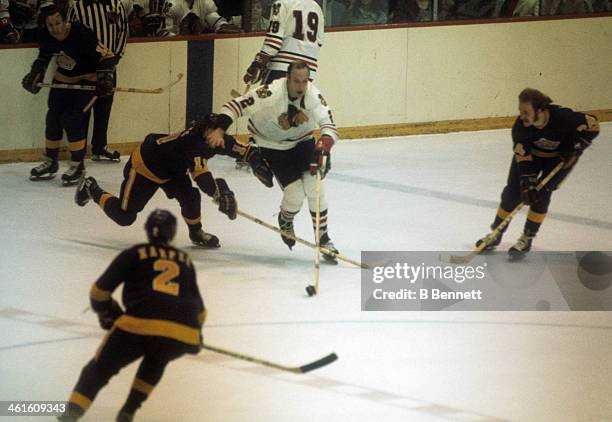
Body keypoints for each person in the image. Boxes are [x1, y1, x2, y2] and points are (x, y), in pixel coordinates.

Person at [57, 209, 206, 422]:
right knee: (157, 358)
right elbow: (200, 311)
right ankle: (128, 411)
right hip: (182, 333)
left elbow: (98, 293)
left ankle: (69, 416)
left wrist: (109, 313)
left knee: (99, 370)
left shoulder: (134, 253)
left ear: (147, 230)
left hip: (138, 325)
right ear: (172, 233)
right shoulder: (186, 261)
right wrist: (195, 334)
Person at [74, 114, 273, 248]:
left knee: (190, 198)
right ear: (205, 133)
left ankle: (196, 233)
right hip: (146, 166)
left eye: (220, 132)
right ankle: (92, 188)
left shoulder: (215, 137)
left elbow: (244, 150)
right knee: (125, 216)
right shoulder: (194, 144)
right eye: (215, 133)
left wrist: (257, 163)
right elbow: (202, 177)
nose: (219, 138)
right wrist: (218, 195)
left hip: (173, 170)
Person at [212, 61, 340, 262]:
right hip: (272, 145)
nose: (300, 86)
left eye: (305, 81)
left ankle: (322, 238)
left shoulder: (312, 95)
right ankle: (285, 219)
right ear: (287, 79)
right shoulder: (269, 93)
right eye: (296, 81)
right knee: (295, 194)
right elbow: (234, 105)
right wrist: (220, 129)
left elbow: (329, 126)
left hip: (302, 142)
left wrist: (324, 147)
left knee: (315, 187)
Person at [476, 88, 600, 258]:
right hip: (531, 158)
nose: (522, 116)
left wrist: (578, 145)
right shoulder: (520, 128)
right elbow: (524, 159)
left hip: (558, 161)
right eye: (520, 111)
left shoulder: (563, 117)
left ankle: (527, 238)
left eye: (526, 112)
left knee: (542, 194)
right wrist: (528, 183)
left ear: (541, 110)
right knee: (512, 193)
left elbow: (594, 125)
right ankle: (496, 234)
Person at [23, 5, 116, 185]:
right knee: (53, 117)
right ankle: (50, 161)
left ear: (66, 21)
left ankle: (77, 164)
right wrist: (36, 72)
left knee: (72, 119)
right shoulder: (45, 35)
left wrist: (105, 78)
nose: (55, 29)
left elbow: (108, 57)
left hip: (88, 81)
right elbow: (44, 57)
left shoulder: (82, 33)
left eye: (58, 23)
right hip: (63, 78)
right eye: (50, 25)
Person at [68, 0, 128, 161]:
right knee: (83, 108)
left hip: (108, 66)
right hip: (85, 68)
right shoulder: (77, 6)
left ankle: (100, 146)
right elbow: (70, 33)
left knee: (104, 107)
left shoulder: (115, 4)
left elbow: (123, 31)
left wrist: (114, 59)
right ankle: (79, 149)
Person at [243, 0, 324, 86]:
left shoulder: (281, 3)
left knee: (267, 99)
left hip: (282, 67)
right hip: (308, 70)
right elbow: (320, 42)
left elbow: (273, 41)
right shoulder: (317, 8)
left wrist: (257, 64)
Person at [166, 0, 241, 35]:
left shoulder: (205, 2)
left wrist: (222, 25)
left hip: (199, 45)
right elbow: (165, 33)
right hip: (173, 48)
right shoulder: (171, 4)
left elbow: (215, 21)